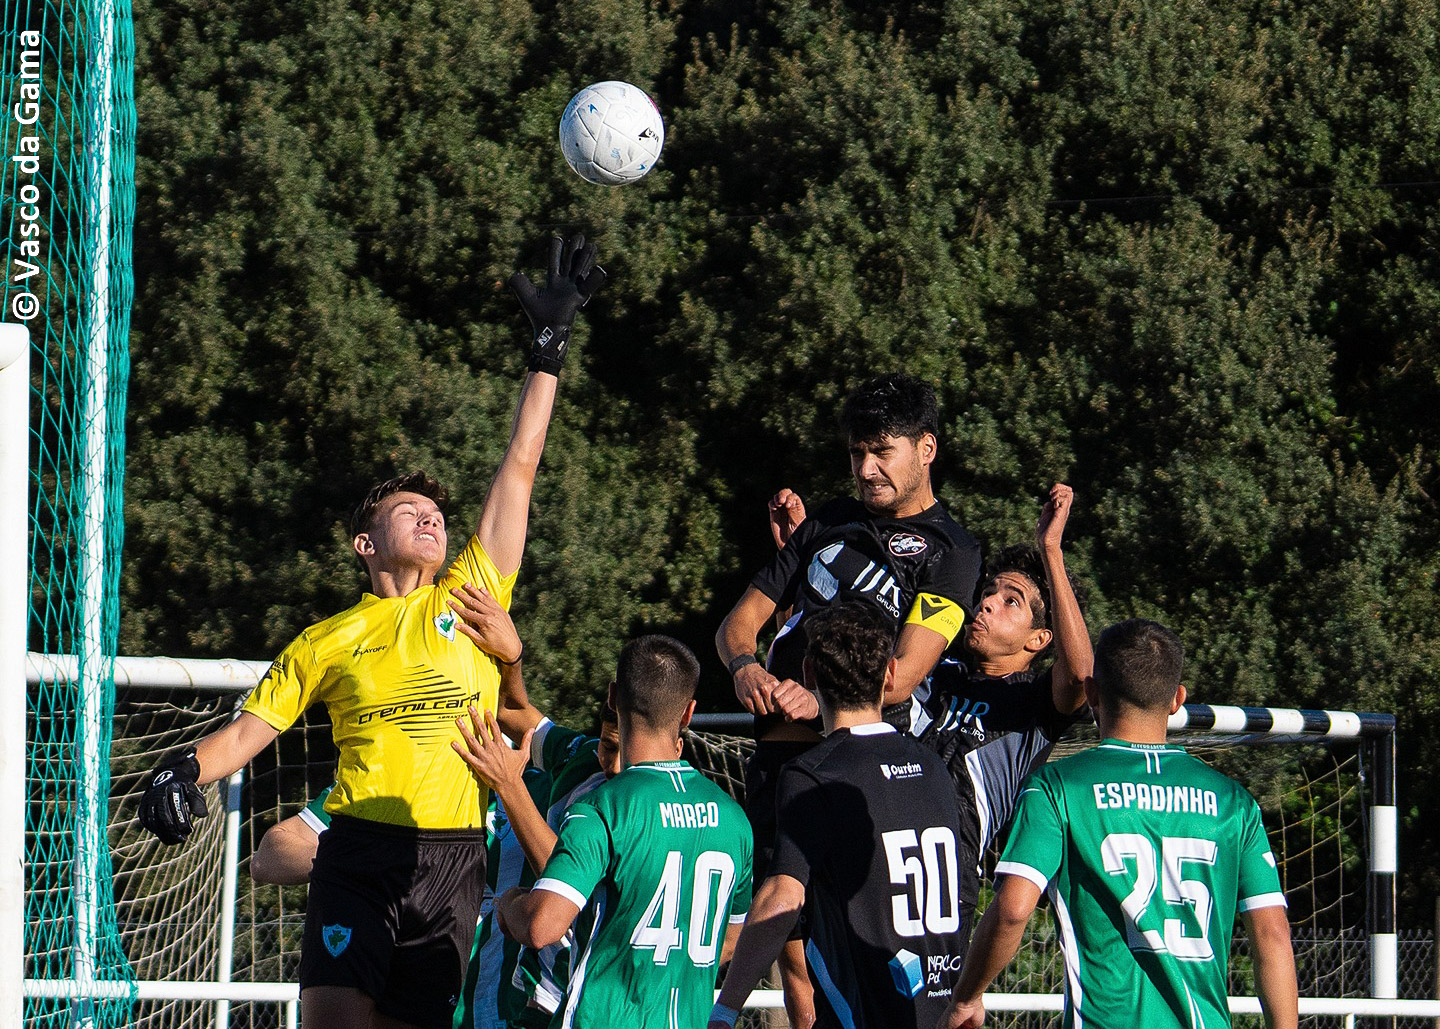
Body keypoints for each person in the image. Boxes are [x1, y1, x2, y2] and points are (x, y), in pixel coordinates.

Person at [135, 234, 607, 1029]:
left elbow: (522, 462)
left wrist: (549, 349)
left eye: (437, 512)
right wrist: (182, 768)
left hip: (453, 857)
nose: (431, 516)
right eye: (408, 510)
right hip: (356, 852)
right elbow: (250, 730)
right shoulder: (327, 638)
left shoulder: (471, 596)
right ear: (364, 542)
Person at [716, 372, 981, 1027]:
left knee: (851, 970)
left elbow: (903, 675)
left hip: (862, 777)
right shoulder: (829, 521)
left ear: (926, 448)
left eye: (882, 452)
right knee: (797, 972)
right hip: (783, 769)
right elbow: (736, 625)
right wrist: (745, 667)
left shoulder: (951, 551)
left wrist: (818, 698)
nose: (865, 469)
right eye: (857, 453)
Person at [939, 620, 1299, 1029]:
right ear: (1177, 699)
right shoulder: (1234, 802)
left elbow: (1013, 910)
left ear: (1092, 692)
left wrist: (966, 998)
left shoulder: (1058, 786)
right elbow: (1272, 935)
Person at [710, 602, 970, 1029]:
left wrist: (725, 1009)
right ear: (890, 674)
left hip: (870, 1012)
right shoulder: (933, 766)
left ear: (809, 674)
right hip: (941, 1009)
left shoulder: (815, 773)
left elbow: (783, 896)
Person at [495, 636, 753, 1029]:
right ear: (689, 713)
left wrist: (510, 904)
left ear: (614, 697)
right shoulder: (734, 819)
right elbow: (730, 940)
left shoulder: (603, 806)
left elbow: (541, 925)